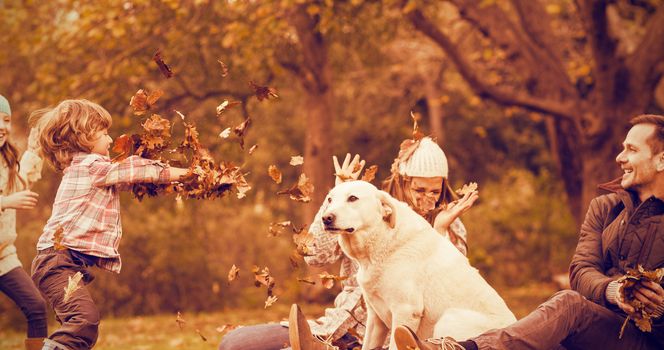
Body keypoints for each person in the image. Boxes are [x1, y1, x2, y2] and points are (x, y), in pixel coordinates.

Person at [393, 114, 664, 350]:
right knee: (538, 336)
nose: (620, 157)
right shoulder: (605, 208)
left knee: (569, 305)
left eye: (631, 149)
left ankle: (462, 349)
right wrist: (614, 290)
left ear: (661, 160)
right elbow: (581, 271)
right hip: (592, 328)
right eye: (622, 148)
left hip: (647, 340)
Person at [219, 136, 478, 350]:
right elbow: (314, 256)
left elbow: (454, 290)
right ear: (401, 180)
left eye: (435, 191)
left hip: (397, 341)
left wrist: (440, 230)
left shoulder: (450, 224)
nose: (429, 200)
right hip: (338, 328)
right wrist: (336, 198)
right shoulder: (364, 207)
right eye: (419, 190)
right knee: (236, 343)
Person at [28, 99, 192, 350]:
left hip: (59, 263)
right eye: (104, 133)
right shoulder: (91, 166)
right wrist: (188, 174)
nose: (109, 138)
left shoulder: (89, 170)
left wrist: (175, 183)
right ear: (82, 137)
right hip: (57, 263)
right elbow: (133, 170)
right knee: (84, 320)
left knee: (79, 328)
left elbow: (134, 179)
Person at [0, 94, 47, 350]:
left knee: (36, 306)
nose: (2, 127)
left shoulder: (5, 160)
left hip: (3, 256)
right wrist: (5, 202)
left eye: (6, 120)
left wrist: (34, 150)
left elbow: (17, 184)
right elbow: (9, 197)